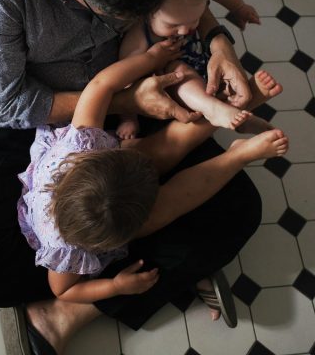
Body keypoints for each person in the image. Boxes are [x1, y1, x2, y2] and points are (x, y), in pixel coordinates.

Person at [0, 0, 265, 355]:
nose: (141, 22)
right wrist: (127, 102)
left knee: (242, 210)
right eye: (123, 17)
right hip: (47, 118)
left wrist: (217, 41)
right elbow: (5, 104)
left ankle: (74, 304)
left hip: (144, 88)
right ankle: (130, 276)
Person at [19, 38, 288, 308]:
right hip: (106, 218)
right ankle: (238, 155)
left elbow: (101, 85)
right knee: (169, 204)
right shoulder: (65, 249)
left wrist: (150, 59)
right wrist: (114, 286)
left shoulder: (80, 145)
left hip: (98, 178)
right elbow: (64, 292)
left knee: (161, 148)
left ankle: (229, 109)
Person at [117, 0, 270, 140]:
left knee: (231, 83)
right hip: (177, 85)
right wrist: (128, 118)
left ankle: (240, 116)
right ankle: (212, 108)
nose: (185, 30)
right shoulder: (139, 36)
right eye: (173, 25)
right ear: (146, 11)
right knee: (179, 71)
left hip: (205, 62)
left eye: (195, 19)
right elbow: (125, 80)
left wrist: (239, 8)